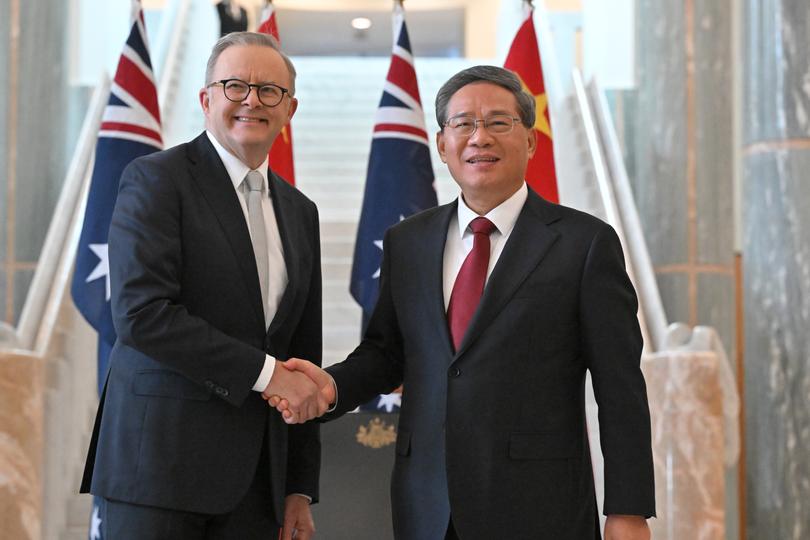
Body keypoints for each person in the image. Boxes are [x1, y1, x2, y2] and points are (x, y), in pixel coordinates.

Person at [274, 65, 656, 539]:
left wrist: (628, 509)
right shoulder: (407, 242)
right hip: (428, 504)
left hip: (540, 506)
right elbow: (387, 354)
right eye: (463, 124)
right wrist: (329, 387)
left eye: (499, 122)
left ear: (531, 140)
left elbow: (620, 386)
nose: (480, 138)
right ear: (441, 144)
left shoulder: (584, 244)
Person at [80, 32, 328, 540]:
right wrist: (266, 375)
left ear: (291, 108)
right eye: (234, 85)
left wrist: (298, 487)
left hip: (258, 487)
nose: (252, 101)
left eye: (269, 90)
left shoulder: (302, 213)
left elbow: (302, 353)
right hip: (158, 473)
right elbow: (142, 315)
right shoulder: (156, 179)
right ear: (206, 98)